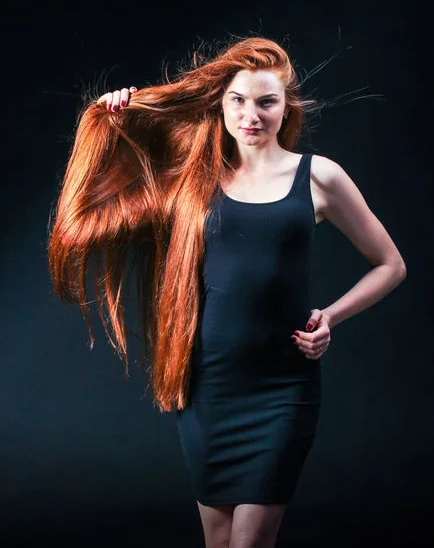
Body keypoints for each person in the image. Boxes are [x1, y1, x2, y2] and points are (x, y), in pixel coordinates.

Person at [47, 36, 406, 548]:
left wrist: (330, 315)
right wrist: (106, 123)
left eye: (266, 102)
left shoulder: (319, 177)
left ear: (288, 106)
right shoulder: (191, 183)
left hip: (283, 390)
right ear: (220, 102)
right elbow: (83, 222)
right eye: (238, 100)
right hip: (207, 387)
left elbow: (390, 265)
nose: (251, 115)